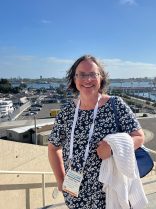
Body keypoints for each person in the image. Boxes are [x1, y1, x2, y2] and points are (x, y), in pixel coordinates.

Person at [48, 55, 145, 209]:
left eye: (93, 74)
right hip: (75, 194)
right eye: (82, 74)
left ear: (101, 78)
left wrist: (113, 148)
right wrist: (60, 181)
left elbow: (139, 137)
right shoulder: (66, 111)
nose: (87, 80)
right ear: (74, 78)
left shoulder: (116, 105)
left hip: (110, 193)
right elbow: (53, 148)